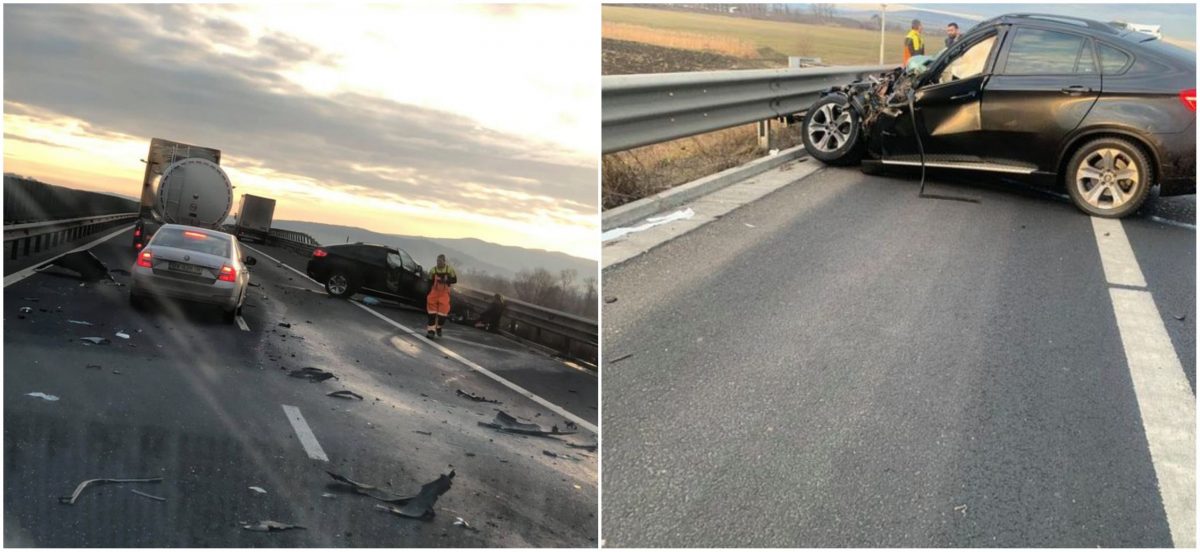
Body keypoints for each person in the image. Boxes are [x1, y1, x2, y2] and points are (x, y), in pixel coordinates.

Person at [425, 254, 457, 338]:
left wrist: (446, 280)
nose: (438, 263)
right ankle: (431, 331)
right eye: (437, 261)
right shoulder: (433, 270)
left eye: (440, 261)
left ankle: (439, 327)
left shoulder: (449, 269)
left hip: (444, 294)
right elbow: (429, 282)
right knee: (431, 314)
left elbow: (455, 280)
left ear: (444, 261)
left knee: (443, 315)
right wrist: (428, 293)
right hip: (434, 293)